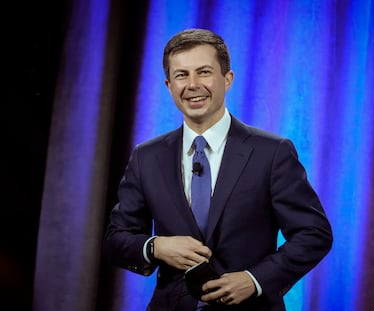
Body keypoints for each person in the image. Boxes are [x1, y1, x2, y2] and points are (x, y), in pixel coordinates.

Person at [103, 28, 333, 311]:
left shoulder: (272, 152)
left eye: (204, 72)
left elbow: (314, 233)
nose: (192, 84)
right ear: (168, 86)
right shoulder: (146, 157)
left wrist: (255, 279)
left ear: (228, 79)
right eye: (181, 75)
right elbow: (116, 240)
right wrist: (156, 247)